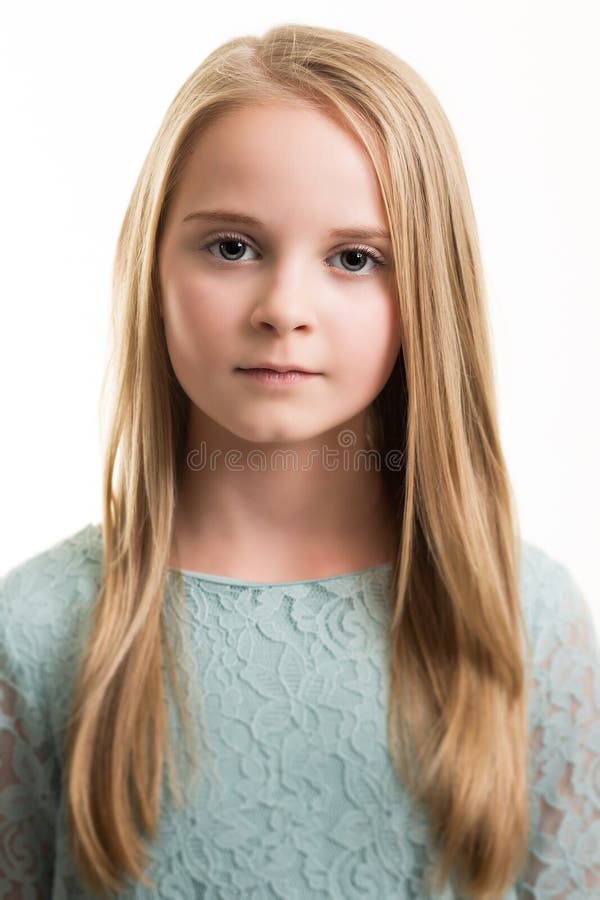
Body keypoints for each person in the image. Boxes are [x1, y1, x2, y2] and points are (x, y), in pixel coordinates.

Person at [1, 22, 598, 899]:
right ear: (152, 267)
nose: (285, 308)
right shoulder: (39, 630)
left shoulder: (523, 620)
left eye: (355, 258)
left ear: (427, 290)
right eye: (232, 246)